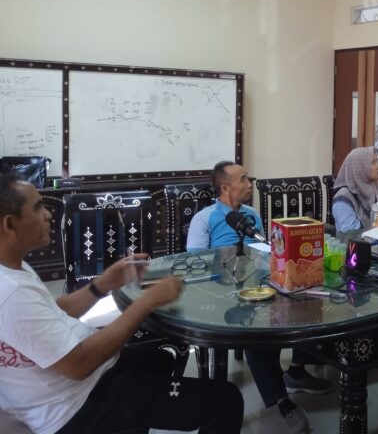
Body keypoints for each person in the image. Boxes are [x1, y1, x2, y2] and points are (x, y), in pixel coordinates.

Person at [0, 174, 244, 434]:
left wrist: (102, 284)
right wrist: (147, 302)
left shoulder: (13, 268)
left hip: (81, 384)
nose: (48, 214)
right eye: (38, 208)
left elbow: (52, 312)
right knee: (226, 400)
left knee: (161, 359)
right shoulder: (11, 293)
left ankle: (142, 411)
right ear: (10, 224)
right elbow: (79, 364)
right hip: (76, 408)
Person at [187, 161, 329, 434]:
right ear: (225, 187)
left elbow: (265, 248)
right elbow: (194, 262)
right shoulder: (204, 219)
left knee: (307, 297)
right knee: (256, 332)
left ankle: (297, 370)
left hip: (262, 284)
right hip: (225, 295)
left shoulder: (251, 214)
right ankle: (282, 402)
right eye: (243, 180)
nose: (249, 184)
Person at [332, 146, 378, 233]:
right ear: (358, 167)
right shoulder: (343, 198)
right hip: (355, 245)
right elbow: (350, 233)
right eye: (373, 162)